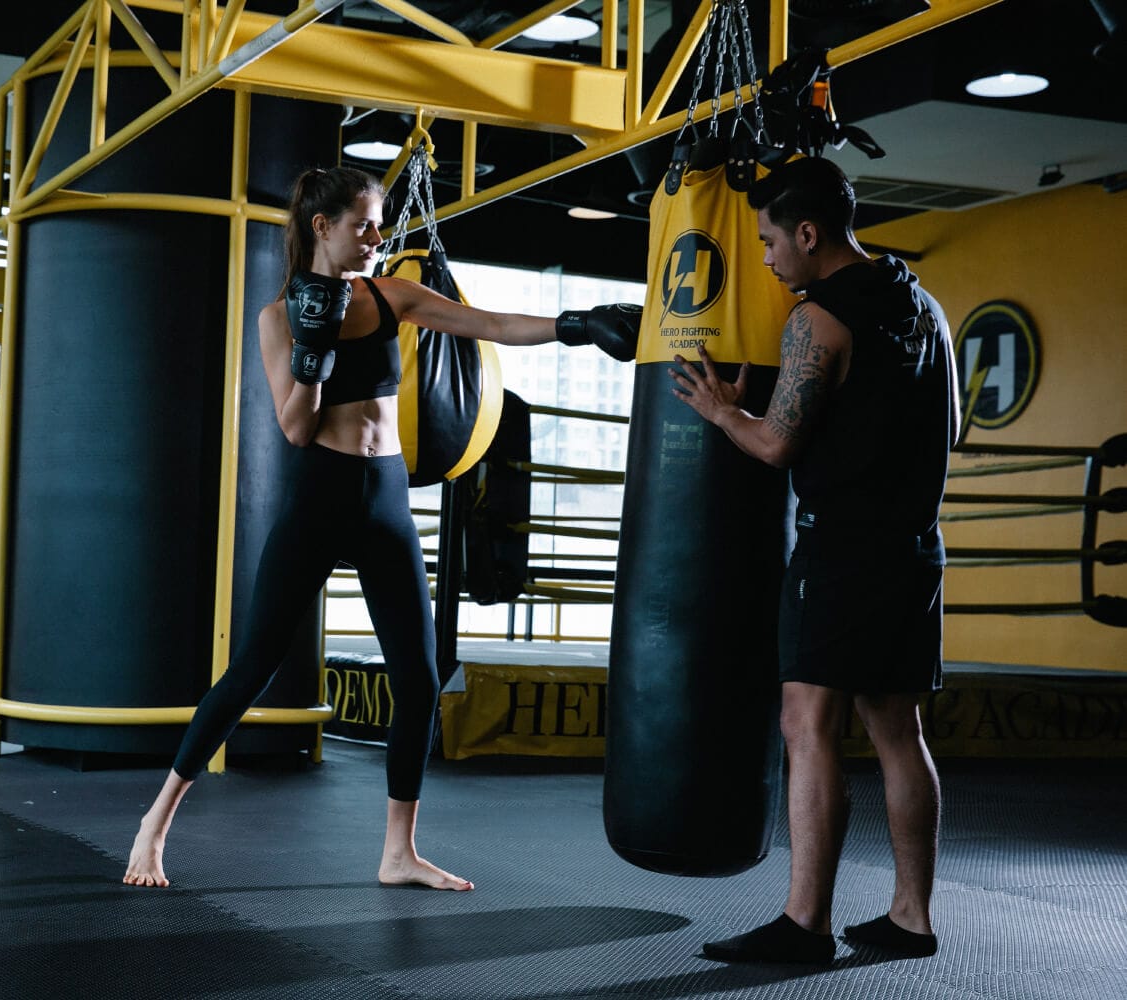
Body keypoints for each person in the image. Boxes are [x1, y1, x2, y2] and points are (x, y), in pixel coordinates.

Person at [123, 165, 638, 891]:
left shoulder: (391, 294)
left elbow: (490, 325)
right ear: (322, 227)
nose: (377, 236)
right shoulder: (277, 319)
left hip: (385, 498)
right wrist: (313, 354)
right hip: (322, 494)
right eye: (363, 224)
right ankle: (155, 823)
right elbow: (295, 429)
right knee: (253, 668)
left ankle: (399, 852)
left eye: (380, 222)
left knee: (419, 679)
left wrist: (575, 326)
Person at [668, 156, 959, 963]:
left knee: (807, 725)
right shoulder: (925, 306)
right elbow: (948, 425)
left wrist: (723, 413)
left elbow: (774, 445)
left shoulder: (816, 320)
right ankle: (911, 918)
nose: (764, 258)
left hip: (841, 550)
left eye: (769, 241)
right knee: (899, 731)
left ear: (807, 232)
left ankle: (805, 924)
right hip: (915, 548)